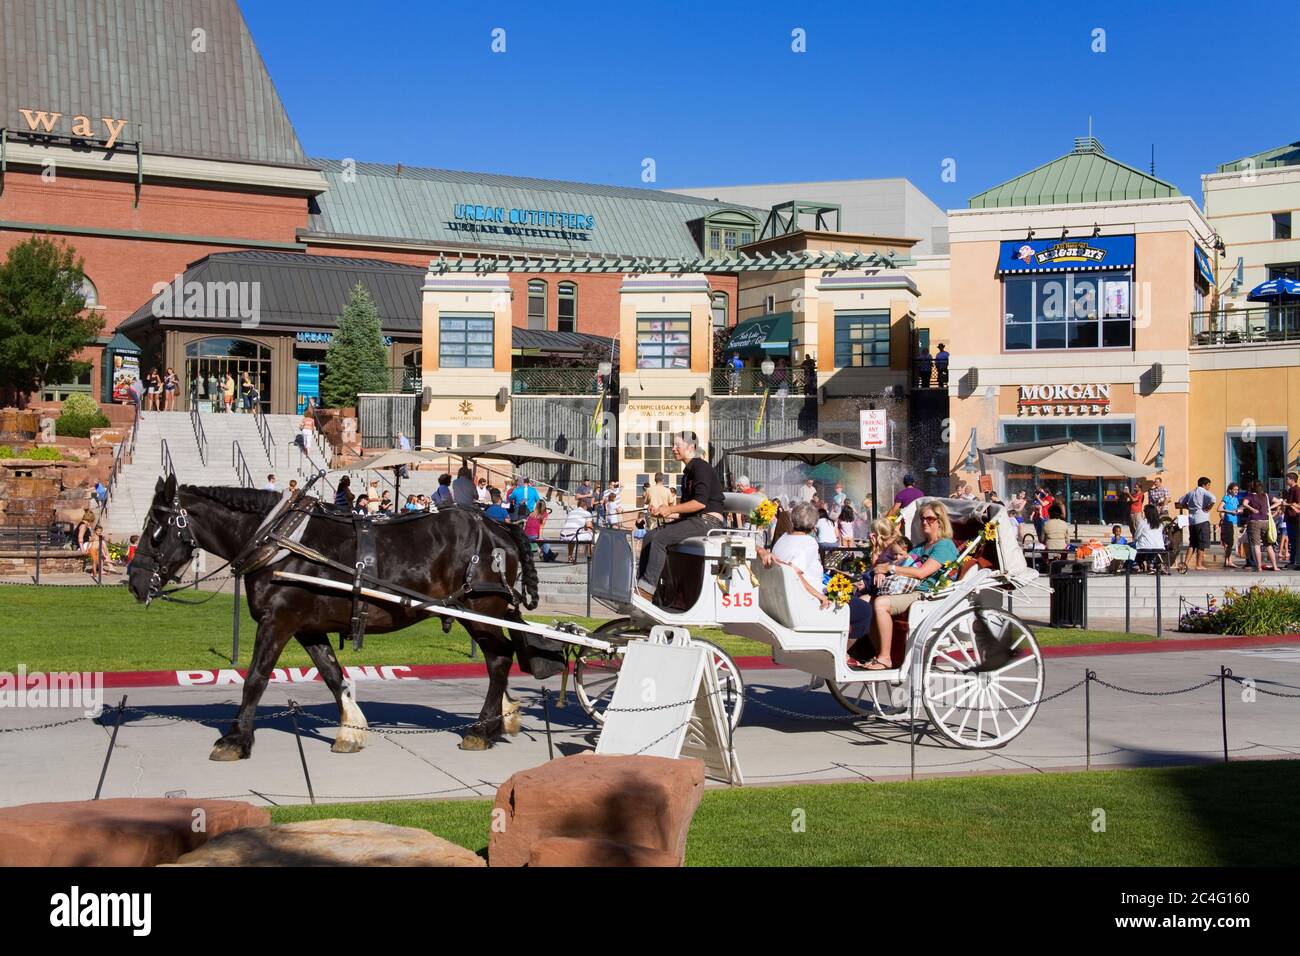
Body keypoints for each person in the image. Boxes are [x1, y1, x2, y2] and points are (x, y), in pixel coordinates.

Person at [863, 500, 960, 670]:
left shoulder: (944, 545)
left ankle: (885, 658)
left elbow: (922, 573)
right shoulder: (921, 546)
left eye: (929, 519)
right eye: (922, 518)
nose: (924, 522)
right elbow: (897, 561)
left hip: (926, 592)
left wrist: (889, 568)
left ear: (940, 521)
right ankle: (877, 652)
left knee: (880, 603)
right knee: (864, 600)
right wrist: (880, 568)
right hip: (908, 588)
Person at [636, 432, 724, 602]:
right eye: (673, 445)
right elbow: (686, 509)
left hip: (708, 522)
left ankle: (646, 591)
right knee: (650, 535)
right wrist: (663, 510)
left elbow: (699, 503)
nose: (673, 448)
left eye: (677, 445)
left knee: (660, 538)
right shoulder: (688, 473)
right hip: (695, 519)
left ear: (691, 447)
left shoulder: (701, 467)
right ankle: (644, 587)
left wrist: (670, 510)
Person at [756, 502, 829, 607]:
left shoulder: (784, 537)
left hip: (783, 597)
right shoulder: (809, 542)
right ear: (813, 524)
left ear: (793, 519)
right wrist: (821, 596)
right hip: (806, 600)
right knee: (860, 611)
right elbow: (793, 573)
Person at [1177, 477, 1216, 571]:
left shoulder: (1190, 493)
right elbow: (1213, 499)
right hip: (1202, 519)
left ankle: (1185, 563)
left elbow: (1180, 501)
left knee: (1192, 543)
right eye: (1208, 485)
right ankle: (1199, 564)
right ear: (1204, 485)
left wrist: (1188, 507)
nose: (1209, 487)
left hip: (1192, 520)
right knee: (1201, 543)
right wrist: (1209, 508)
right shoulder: (1203, 491)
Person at [1239, 481, 1278, 572]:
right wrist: (1269, 508)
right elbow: (1278, 501)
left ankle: (1259, 567)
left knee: (1256, 545)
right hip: (1265, 521)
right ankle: (1275, 566)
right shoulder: (1266, 496)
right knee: (1268, 545)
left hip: (1254, 521)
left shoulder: (1250, 496)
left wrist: (1252, 509)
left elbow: (1244, 503)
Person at [1133, 503, 1168, 573]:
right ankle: (1151, 564)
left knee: (1132, 546)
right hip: (1159, 547)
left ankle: (1135, 564)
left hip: (1144, 547)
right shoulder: (1160, 524)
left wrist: (1136, 539)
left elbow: (1136, 536)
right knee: (1151, 549)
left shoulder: (1142, 523)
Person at [1220, 482, 1243, 569]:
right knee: (1228, 543)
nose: (1237, 491)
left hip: (1234, 522)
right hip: (1227, 522)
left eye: (1237, 489)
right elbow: (1220, 508)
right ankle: (1229, 561)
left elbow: (1236, 509)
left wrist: (1240, 510)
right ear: (1230, 490)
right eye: (1235, 489)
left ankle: (1227, 560)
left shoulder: (1235, 499)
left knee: (1231, 543)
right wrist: (1230, 512)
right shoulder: (1226, 498)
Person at [1286, 473, 1300, 570]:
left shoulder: (1297, 490)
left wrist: (1287, 504)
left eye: (1287, 479)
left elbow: (1298, 504)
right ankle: (1292, 560)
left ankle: (1294, 561)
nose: (1286, 480)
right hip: (1289, 518)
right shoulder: (1290, 490)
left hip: (1294, 518)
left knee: (1294, 540)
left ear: (1292, 480)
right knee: (1292, 540)